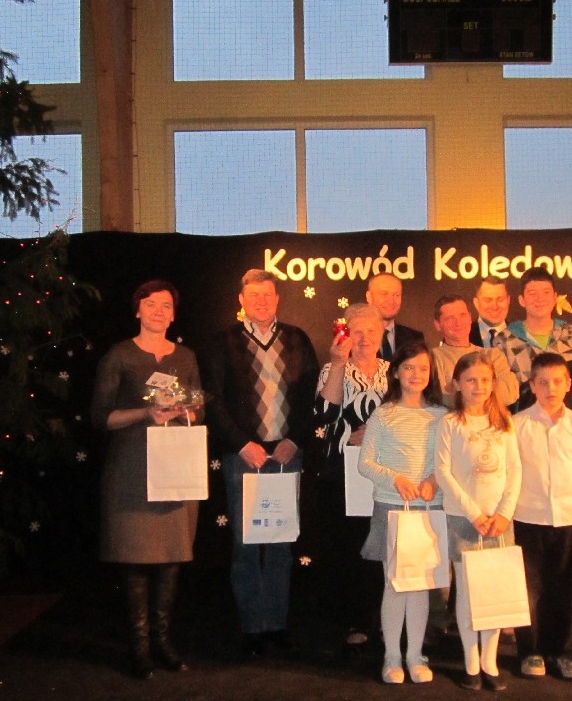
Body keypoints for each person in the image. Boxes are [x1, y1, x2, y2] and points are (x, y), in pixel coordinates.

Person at [204, 269, 320, 658]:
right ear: (241, 300)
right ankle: (252, 627)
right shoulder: (223, 342)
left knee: (282, 542)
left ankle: (277, 625)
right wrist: (241, 444)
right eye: (254, 295)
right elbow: (212, 398)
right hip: (244, 456)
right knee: (246, 544)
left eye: (268, 294)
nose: (262, 301)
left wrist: (294, 440)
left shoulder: (297, 339)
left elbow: (310, 396)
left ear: (277, 298)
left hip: (286, 453)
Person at [91, 279, 203, 679]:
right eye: (151, 304)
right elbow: (100, 417)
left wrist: (185, 410)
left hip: (175, 468)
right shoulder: (119, 355)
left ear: (174, 315)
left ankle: (163, 642)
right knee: (134, 559)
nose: (159, 311)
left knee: (171, 556)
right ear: (137, 310)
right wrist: (145, 414)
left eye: (166, 305)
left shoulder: (186, 356)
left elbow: (199, 408)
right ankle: (139, 648)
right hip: (132, 470)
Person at [358, 341, 445, 684]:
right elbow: (366, 463)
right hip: (392, 508)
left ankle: (415, 655)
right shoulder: (384, 414)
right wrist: (395, 479)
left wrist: (434, 479)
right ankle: (392, 656)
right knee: (395, 584)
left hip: (428, 509)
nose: (416, 374)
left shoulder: (441, 415)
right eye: (408, 367)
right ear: (395, 372)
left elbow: (449, 460)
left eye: (423, 368)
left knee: (420, 586)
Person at [434, 352, 521, 692]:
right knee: (468, 592)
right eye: (471, 380)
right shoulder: (450, 424)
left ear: (494, 384)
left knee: (494, 589)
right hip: (464, 518)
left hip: (499, 521)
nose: (478, 386)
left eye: (485, 380)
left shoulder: (504, 422)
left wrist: (503, 513)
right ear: (457, 384)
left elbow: (514, 470)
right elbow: (443, 472)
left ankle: (490, 661)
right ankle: (471, 661)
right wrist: (474, 513)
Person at [512, 353, 572, 681]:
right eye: (543, 382)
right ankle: (531, 651)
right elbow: (513, 471)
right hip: (529, 517)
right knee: (530, 588)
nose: (551, 389)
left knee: (568, 588)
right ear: (531, 385)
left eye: (558, 381)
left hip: (569, 517)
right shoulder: (518, 425)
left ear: (568, 384)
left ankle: (567, 653)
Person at [314, 302, 388, 652]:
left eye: (371, 331)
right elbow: (324, 414)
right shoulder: (334, 368)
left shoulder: (394, 371)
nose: (364, 338)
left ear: (381, 335)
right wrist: (339, 364)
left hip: (387, 470)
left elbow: (408, 415)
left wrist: (375, 435)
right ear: (345, 334)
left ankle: (386, 619)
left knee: (385, 544)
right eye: (357, 331)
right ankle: (356, 620)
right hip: (344, 471)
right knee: (353, 546)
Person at [497, 267, 572, 477]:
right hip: (523, 441)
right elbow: (499, 400)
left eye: (545, 293)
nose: (539, 299)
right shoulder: (505, 340)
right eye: (532, 293)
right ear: (521, 300)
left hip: (569, 439)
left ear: (555, 298)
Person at [432, 294, 519, 410]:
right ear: (438, 325)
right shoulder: (432, 358)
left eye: (462, 315)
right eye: (449, 318)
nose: (458, 322)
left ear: (469, 318)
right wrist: (488, 389)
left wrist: (456, 389)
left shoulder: (493, 355)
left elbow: (509, 394)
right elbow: (440, 398)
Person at [366, 272, 424, 361]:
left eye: (396, 295)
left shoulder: (414, 339)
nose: (391, 301)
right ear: (369, 297)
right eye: (384, 294)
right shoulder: (353, 338)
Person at [469, 277, 512, 349]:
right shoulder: (462, 336)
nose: (495, 307)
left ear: (508, 300)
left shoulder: (522, 337)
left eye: (500, 299)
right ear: (476, 303)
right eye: (488, 300)